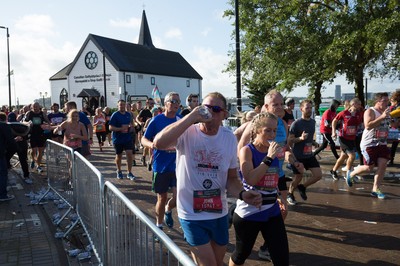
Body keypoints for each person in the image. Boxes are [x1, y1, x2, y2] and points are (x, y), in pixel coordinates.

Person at [153, 92, 262, 266]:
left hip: (218, 212)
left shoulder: (228, 138)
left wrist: (242, 194)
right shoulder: (187, 132)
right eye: (205, 108)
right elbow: (159, 143)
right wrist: (192, 116)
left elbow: (232, 178)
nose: (209, 113)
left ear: (224, 114)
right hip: (191, 213)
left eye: (215, 109)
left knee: (218, 262)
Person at [230, 112, 289, 266]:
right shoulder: (247, 151)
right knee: (241, 255)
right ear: (256, 130)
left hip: (271, 210)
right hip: (250, 212)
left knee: (282, 258)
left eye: (275, 130)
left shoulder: (273, 151)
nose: (272, 134)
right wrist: (269, 157)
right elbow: (251, 178)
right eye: (267, 130)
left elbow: (274, 176)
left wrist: (279, 196)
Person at [141, 92, 181, 232]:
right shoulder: (156, 121)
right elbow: (143, 139)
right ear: (165, 104)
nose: (176, 103)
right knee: (161, 197)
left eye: (178, 101)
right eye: (173, 101)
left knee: (178, 197)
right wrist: (152, 145)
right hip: (161, 165)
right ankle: (159, 226)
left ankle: (169, 210)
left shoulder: (180, 120)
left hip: (177, 165)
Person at [347, 92, 391, 199]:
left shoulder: (387, 112)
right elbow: (368, 125)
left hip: (382, 143)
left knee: (383, 164)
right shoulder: (370, 111)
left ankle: (375, 189)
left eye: (387, 100)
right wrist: (383, 117)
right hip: (369, 144)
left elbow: (391, 124)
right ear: (377, 101)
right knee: (369, 168)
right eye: (384, 101)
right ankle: (351, 174)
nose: (387, 103)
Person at [287, 99, 322, 205]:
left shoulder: (312, 122)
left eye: (311, 108)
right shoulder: (296, 124)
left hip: (309, 155)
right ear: (301, 109)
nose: (309, 110)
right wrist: (300, 139)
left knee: (318, 175)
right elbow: (290, 141)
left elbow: (310, 137)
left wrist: (313, 142)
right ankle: (290, 194)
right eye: (307, 108)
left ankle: (303, 187)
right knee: (298, 177)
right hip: (298, 156)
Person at [330, 98, 363, 180]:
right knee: (352, 156)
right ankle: (349, 174)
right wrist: (333, 132)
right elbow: (334, 121)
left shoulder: (359, 114)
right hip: (343, 138)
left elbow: (362, 123)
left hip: (352, 138)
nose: (360, 106)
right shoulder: (344, 113)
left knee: (343, 157)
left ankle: (333, 171)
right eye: (358, 104)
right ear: (353, 104)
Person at [109, 100, 136, 180]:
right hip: (118, 139)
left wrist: (131, 128)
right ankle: (119, 170)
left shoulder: (128, 114)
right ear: (118, 106)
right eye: (120, 105)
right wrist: (120, 129)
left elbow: (131, 124)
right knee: (119, 156)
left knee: (129, 154)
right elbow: (110, 127)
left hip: (127, 138)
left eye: (124, 105)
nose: (122, 106)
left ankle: (129, 172)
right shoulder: (115, 115)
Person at [23, 102, 50, 173]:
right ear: (32, 107)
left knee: (40, 151)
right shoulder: (29, 113)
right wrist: (28, 123)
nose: (35, 108)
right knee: (34, 150)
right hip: (33, 134)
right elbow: (23, 122)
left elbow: (48, 121)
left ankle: (38, 165)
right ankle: (33, 159)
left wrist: (47, 125)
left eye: (36, 106)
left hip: (41, 134)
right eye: (34, 106)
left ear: (39, 107)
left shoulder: (42, 114)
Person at [0, 112, 17, 201]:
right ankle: (2, 195)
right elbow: (10, 141)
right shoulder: (4, 126)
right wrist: (17, 147)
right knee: (3, 174)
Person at [388, 90, 400, 165]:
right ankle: (391, 159)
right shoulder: (394, 107)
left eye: (392, 100)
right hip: (395, 128)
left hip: (397, 127)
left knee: (394, 144)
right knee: (394, 144)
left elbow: (391, 115)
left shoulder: (398, 107)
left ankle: (391, 159)